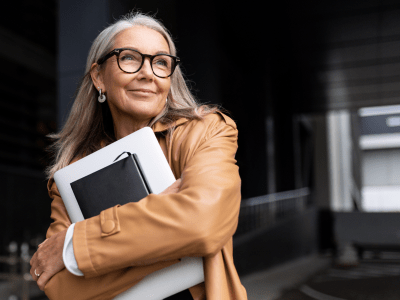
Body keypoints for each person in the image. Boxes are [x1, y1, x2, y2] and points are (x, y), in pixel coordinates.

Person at [29, 12, 247, 300]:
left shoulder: (206, 132)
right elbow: (61, 288)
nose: (147, 73)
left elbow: (203, 225)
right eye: (129, 58)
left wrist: (76, 247)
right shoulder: (72, 172)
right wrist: (173, 234)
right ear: (98, 77)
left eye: (160, 62)